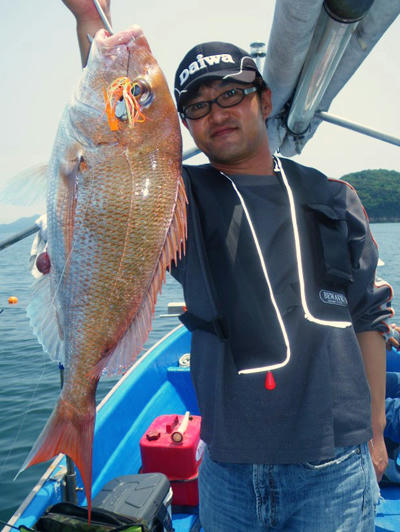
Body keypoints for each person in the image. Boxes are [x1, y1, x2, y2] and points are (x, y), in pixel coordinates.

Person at [61, 2, 394, 530]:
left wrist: (376, 432)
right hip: (228, 468)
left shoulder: (333, 197)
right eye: (195, 106)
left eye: (231, 95)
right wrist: (88, 23)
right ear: (184, 125)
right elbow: (116, 130)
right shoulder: (174, 202)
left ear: (263, 100)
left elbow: (369, 317)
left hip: (332, 466)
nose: (216, 113)